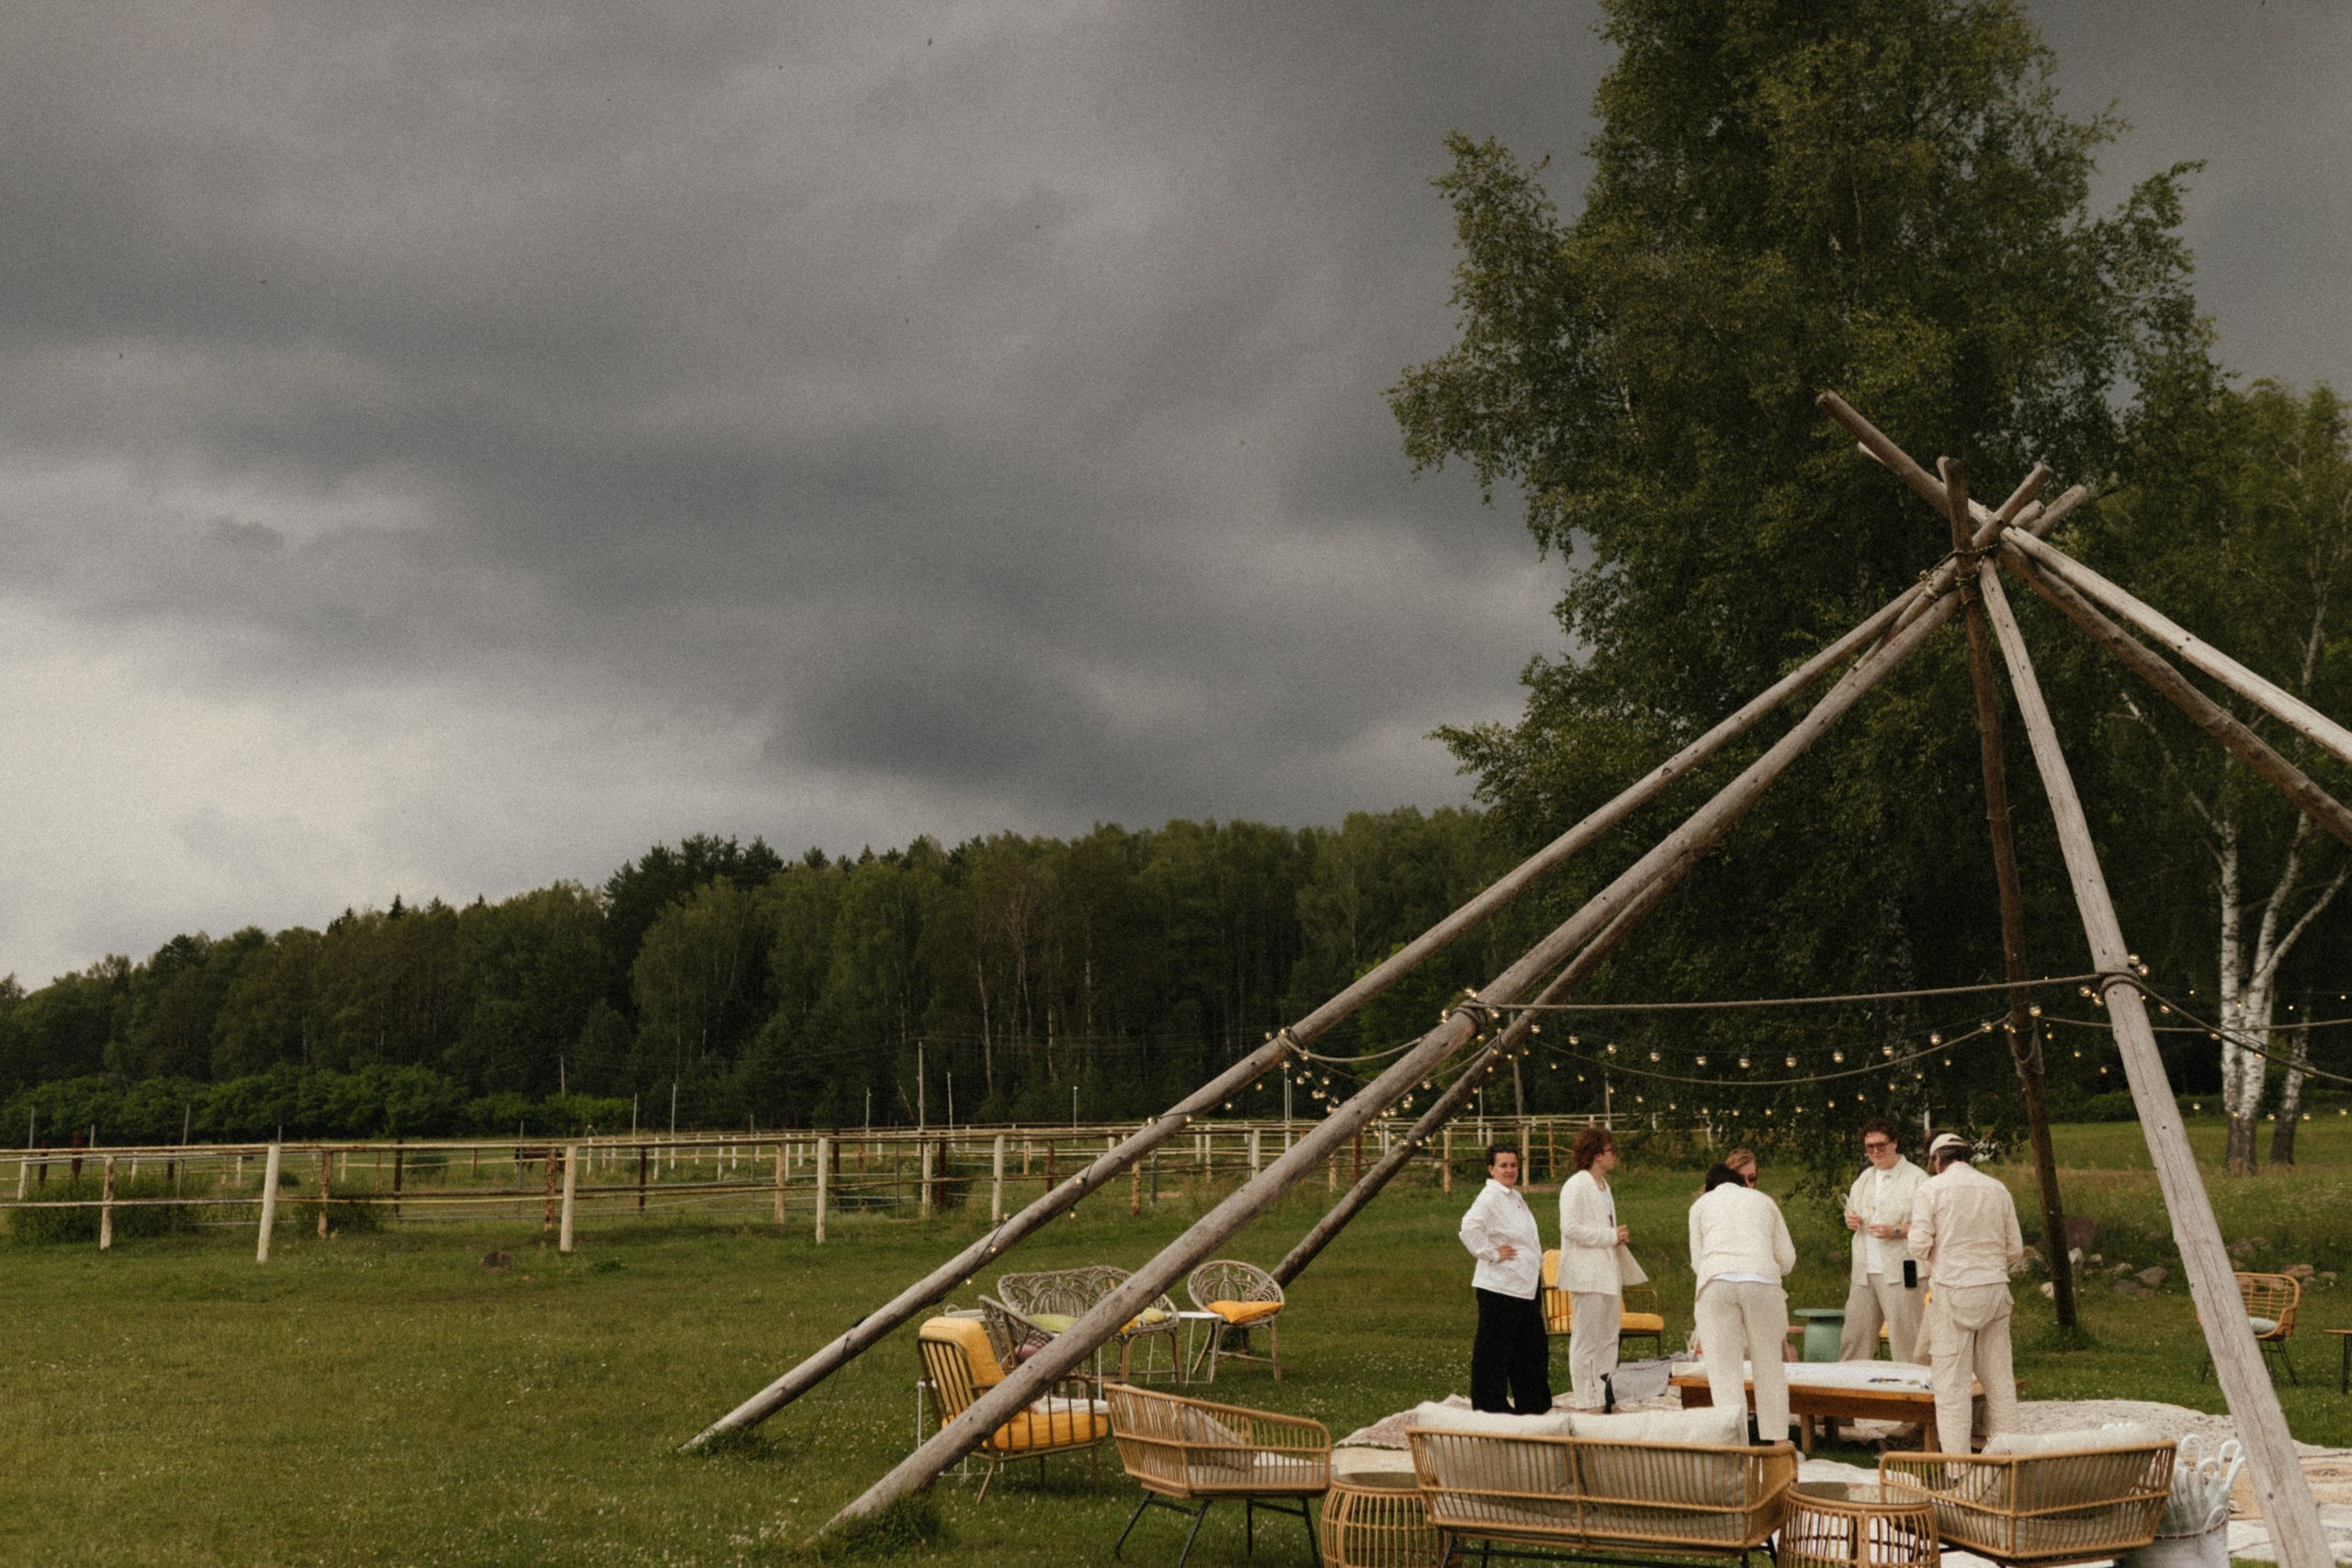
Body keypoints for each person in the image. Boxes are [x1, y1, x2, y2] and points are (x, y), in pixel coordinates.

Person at [1907, 1131, 2024, 1453]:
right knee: (2000, 1382)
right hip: (1995, 1289)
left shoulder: (1930, 1189)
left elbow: (1918, 1244)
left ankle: (1957, 1468)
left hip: (1953, 1289)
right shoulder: (1997, 1189)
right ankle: (2008, 1460)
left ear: (1937, 1159)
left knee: (1951, 1387)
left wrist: (1941, 1256)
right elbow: (2014, 1247)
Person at [1689, 1160, 1797, 1444]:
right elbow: (1787, 1258)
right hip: (1761, 1281)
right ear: (1740, 1183)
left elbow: (1697, 1261)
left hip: (1715, 1282)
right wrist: (1766, 1268)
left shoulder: (1700, 1206)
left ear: (1709, 1187)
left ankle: (1734, 1444)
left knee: (1724, 1371)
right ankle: (1778, 1443)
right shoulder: (1763, 1201)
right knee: (1769, 1365)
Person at [1458, 1142, 1552, 1415]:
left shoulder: (1513, 1196)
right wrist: (1491, 1254)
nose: (1509, 1170)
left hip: (1524, 1285)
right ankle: (1490, 1405)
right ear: (1491, 1169)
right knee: (1494, 1351)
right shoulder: (1490, 1197)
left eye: (1513, 1165)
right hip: (1500, 1286)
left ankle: (1533, 1403)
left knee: (1531, 1347)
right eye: (1503, 1165)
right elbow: (1469, 1228)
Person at [1557, 1126, 1646, 1409]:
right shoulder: (1576, 1185)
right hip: (1587, 1273)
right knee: (1586, 1339)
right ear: (1597, 1155)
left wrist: (1615, 1238)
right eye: (1611, 1151)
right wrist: (1609, 1236)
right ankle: (1584, 1397)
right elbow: (1569, 1228)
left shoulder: (1604, 1187)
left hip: (1608, 1270)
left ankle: (1605, 1392)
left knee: (1609, 1337)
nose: (1614, 1156)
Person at [1838, 1119, 1929, 1362]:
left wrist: (1896, 1231)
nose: (1876, 1152)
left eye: (1881, 1145)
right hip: (1864, 1271)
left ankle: (1916, 1392)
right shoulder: (1864, 1178)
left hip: (1904, 1268)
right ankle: (1851, 1392)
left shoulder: (1917, 1179)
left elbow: (1930, 1227)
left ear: (1895, 1143)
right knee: (1854, 1337)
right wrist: (1852, 1221)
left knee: (1907, 1338)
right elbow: (1853, 1211)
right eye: (1870, 1147)